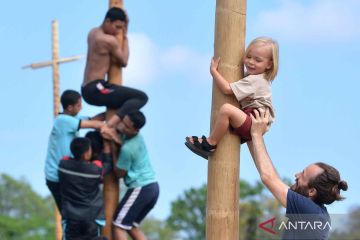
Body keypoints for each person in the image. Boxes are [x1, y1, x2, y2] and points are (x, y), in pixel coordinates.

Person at [250, 108, 348, 239]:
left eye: (303, 175)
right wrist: (251, 135)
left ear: (312, 191)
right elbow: (272, 177)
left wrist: (256, 135)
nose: (296, 175)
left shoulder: (309, 211)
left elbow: (269, 178)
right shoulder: (317, 213)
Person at [185, 37, 279, 159]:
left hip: (254, 121)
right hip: (252, 120)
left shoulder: (256, 80)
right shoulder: (255, 78)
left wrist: (214, 71)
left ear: (269, 64)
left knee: (226, 109)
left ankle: (210, 143)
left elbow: (227, 89)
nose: (251, 62)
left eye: (258, 60)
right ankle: (214, 138)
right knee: (228, 114)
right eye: (249, 56)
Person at [44, 89, 112, 212]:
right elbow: (96, 125)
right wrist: (113, 136)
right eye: (79, 105)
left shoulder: (71, 118)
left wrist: (113, 112)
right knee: (68, 213)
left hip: (65, 172)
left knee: (74, 213)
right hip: (57, 176)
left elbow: (95, 119)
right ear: (70, 107)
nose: (81, 107)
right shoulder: (63, 121)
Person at [81, 7, 148, 131]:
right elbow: (124, 61)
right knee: (141, 97)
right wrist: (125, 37)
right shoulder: (108, 40)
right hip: (96, 88)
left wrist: (123, 27)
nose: (118, 31)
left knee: (125, 103)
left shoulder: (93, 32)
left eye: (121, 28)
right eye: (117, 27)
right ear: (107, 21)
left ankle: (99, 122)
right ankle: (110, 125)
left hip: (88, 88)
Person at [112, 111, 159, 240]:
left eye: (126, 127)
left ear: (136, 129)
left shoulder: (128, 149)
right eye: (123, 122)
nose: (122, 127)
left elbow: (119, 173)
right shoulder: (138, 137)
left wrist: (113, 149)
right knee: (131, 226)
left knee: (118, 225)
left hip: (141, 187)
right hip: (152, 187)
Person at [58, 137, 105, 239]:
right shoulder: (95, 170)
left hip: (71, 217)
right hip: (91, 216)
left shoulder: (63, 165)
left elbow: (66, 158)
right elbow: (101, 165)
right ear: (86, 154)